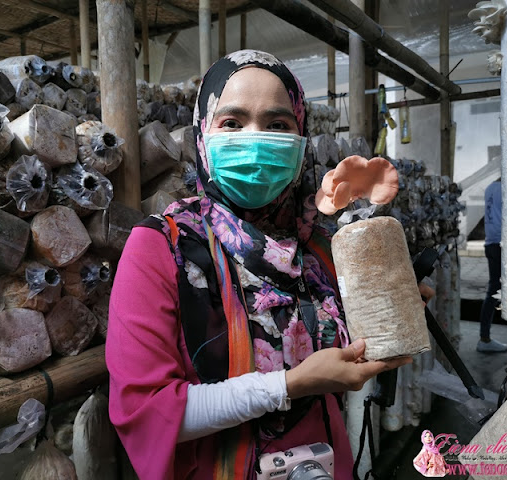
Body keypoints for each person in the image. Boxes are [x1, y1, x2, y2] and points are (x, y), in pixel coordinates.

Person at [106, 50, 414, 479]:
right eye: (232, 123)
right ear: (202, 134)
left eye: (277, 125)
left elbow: (356, 339)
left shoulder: (318, 243)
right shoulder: (161, 247)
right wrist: (289, 386)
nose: (255, 139)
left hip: (325, 462)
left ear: (301, 138)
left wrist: (389, 307)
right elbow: (146, 410)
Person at [477, 179, 507, 353]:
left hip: (492, 242)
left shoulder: (490, 187)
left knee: (494, 289)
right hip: (502, 243)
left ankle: (484, 336)